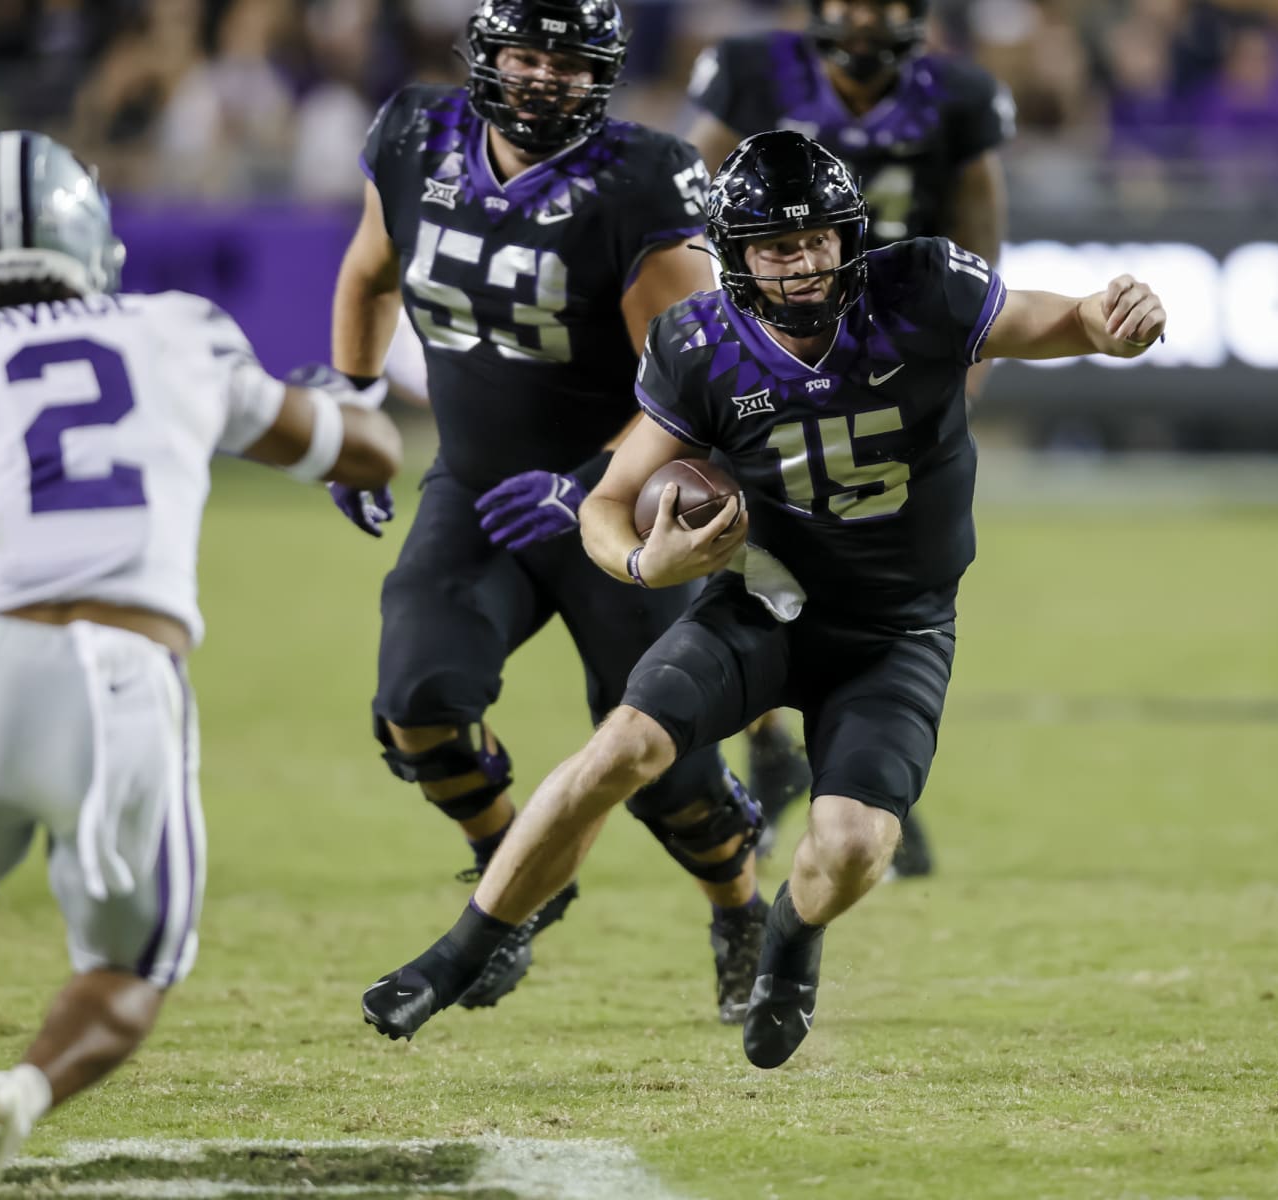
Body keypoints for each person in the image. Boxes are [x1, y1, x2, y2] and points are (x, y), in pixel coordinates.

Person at [360, 130, 1166, 1068]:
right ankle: (461, 951)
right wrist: (640, 566)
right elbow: (609, 502)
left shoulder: (919, 287)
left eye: (821, 237)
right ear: (734, 254)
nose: (807, 261)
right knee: (623, 746)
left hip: (894, 632)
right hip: (767, 608)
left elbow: (1062, 320)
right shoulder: (696, 342)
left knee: (856, 846)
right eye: (780, 247)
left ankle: (788, 937)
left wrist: (1110, 325)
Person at [0, 131, 401, 1200]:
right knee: (127, 971)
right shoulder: (174, 333)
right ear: (88, 241)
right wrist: (333, 413)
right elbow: (369, 452)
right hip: (127, 680)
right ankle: (17, 1096)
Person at [336, 0, 768, 1029]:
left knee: (668, 771)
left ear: (604, 73)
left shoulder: (642, 177)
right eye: (523, 54)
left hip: (621, 503)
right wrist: (351, 403)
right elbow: (369, 271)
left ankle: (741, 913)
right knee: (418, 699)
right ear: (483, 55)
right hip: (480, 490)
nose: (540, 78)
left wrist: (588, 486)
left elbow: (695, 380)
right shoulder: (411, 134)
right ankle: (514, 870)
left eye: (565, 62)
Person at [687, 0, 1015, 876]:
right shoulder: (752, 71)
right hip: (771, 352)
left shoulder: (960, 93)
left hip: (891, 357)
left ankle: (858, 779)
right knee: (766, 554)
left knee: (885, 576)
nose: (865, 21)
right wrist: (707, 348)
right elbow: (688, 201)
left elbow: (980, 223)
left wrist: (964, 362)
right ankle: (772, 750)